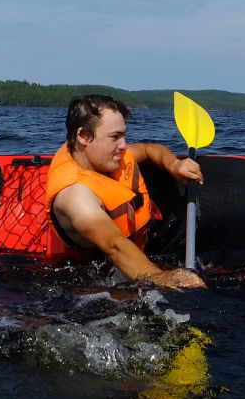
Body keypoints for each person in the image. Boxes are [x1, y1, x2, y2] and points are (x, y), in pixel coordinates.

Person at [45, 94, 205, 289]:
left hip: (145, 241)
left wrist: (174, 165)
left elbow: (148, 150)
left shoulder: (104, 156)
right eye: (115, 137)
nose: (123, 145)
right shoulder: (76, 197)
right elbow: (114, 246)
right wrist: (162, 278)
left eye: (123, 135)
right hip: (91, 281)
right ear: (83, 136)